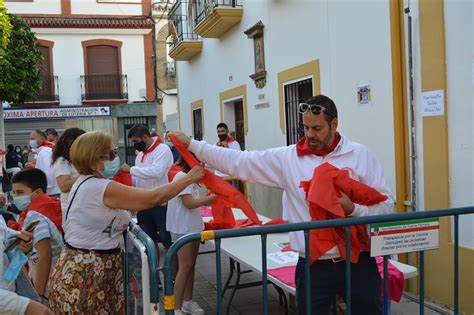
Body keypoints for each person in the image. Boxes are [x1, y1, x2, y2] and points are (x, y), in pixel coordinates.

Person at [170, 95, 394, 315]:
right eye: (305, 128)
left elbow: (386, 208)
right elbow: (239, 162)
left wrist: (353, 210)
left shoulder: (360, 155)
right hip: (313, 266)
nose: (309, 134)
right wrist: (192, 144)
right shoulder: (289, 158)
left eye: (317, 128)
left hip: (358, 261)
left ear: (334, 124)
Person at [47, 131, 204, 314]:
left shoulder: (89, 183)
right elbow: (153, 197)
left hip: (91, 268)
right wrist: (189, 178)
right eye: (111, 154)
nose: (116, 159)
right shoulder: (99, 187)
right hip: (87, 273)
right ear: (93, 159)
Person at [166, 157, 216, 315]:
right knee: (184, 266)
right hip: (183, 228)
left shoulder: (191, 178)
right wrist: (211, 198)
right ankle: (175, 307)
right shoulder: (182, 177)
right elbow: (189, 203)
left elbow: (193, 201)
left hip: (192, 226)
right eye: (200, 162)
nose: (202, 166)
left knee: (190, 266)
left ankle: (188, 301)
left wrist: (206, 200)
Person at [11, 169, 64, 304]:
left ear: (38, 193)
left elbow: (45, 255)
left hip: (46, 285)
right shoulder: (51, 206)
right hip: (58, 278)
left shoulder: (35, 215)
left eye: (20, 192)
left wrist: (38, 295)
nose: (16, 197)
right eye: (14, 192)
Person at [120, 125, 174, 251]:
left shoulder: (163, 150)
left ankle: (172, 269)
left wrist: (131, 170)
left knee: (168, 242)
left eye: (136, 141)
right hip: (144, 204)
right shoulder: (140, 155)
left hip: (162, 204)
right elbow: (139, 178)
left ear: (145, 137)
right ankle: (153, 269)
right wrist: (125, 179)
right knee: (148, 242)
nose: (134, 145)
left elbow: (157, 172)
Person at [51, 128, 86, 227]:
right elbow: (64, 186)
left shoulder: (75, 159)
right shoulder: (62, 161)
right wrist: (86, 175)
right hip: (71, 208)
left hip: (80, 206)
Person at [27, 130, 59, 197]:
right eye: (30, 139)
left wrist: (42, 189)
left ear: (42, 139)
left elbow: (48, 174)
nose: (31, 141)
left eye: (33, 139)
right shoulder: (42, 151)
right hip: (50, 191)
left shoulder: (45, 152)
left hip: (51, 193)